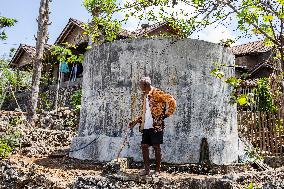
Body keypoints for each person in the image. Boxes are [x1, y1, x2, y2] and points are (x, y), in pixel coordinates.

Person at [128, 77, 176, 176]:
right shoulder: (145, 96)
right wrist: (136, 121)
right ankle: (147, 170)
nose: (140, 87)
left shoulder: (157, 93)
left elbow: (171, 100)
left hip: (156, 125)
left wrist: (166, 114)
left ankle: (157, 170)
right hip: (146, 125)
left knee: (156, 146)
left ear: (145, 85)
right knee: (144, 146)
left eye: (141, 85)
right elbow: (145, 112)